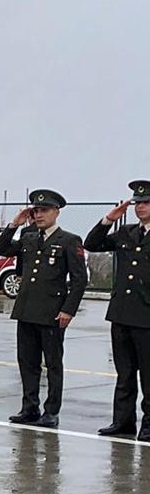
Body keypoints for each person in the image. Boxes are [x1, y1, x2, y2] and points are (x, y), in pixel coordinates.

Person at [0, 190, 87, 429]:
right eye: (36, 210)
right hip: (26, 309)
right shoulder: (28, 235)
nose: (39, 214)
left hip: (52, 311)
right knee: (27, 362)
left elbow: (79, 279)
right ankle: (29, 407)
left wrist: (68, 310)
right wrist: (14, 223)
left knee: (53, 364)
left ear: (56, 212)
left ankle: (52, 411)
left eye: (44, 210)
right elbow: (0, 248)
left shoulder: (69, 240)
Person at [84, 181, 150, 440]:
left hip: (146, 316)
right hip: (122, 313)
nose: (139, 208)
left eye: (145, 203)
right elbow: (92, 244)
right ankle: (122, 421)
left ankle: (148, 424)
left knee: (148, 374)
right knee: (125, 373)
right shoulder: (127, 233)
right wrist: (109, 219)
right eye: (137, 203)